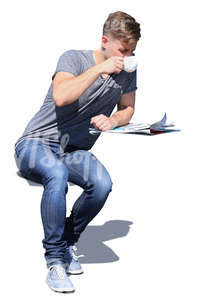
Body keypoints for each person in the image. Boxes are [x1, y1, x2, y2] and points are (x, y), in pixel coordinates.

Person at [13, 11, 141, 293]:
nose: (128, 56)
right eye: (123, 50)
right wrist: (100, 68)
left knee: (102, 184)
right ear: (105, 41)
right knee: (56, 175)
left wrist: (113, 120)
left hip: (74, 149)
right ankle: (55, 261)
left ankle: (68, 240)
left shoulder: (128, 71)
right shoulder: (74, 58)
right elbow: (61, 96)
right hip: (36, 143)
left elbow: (128, 110)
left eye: (132, 51)